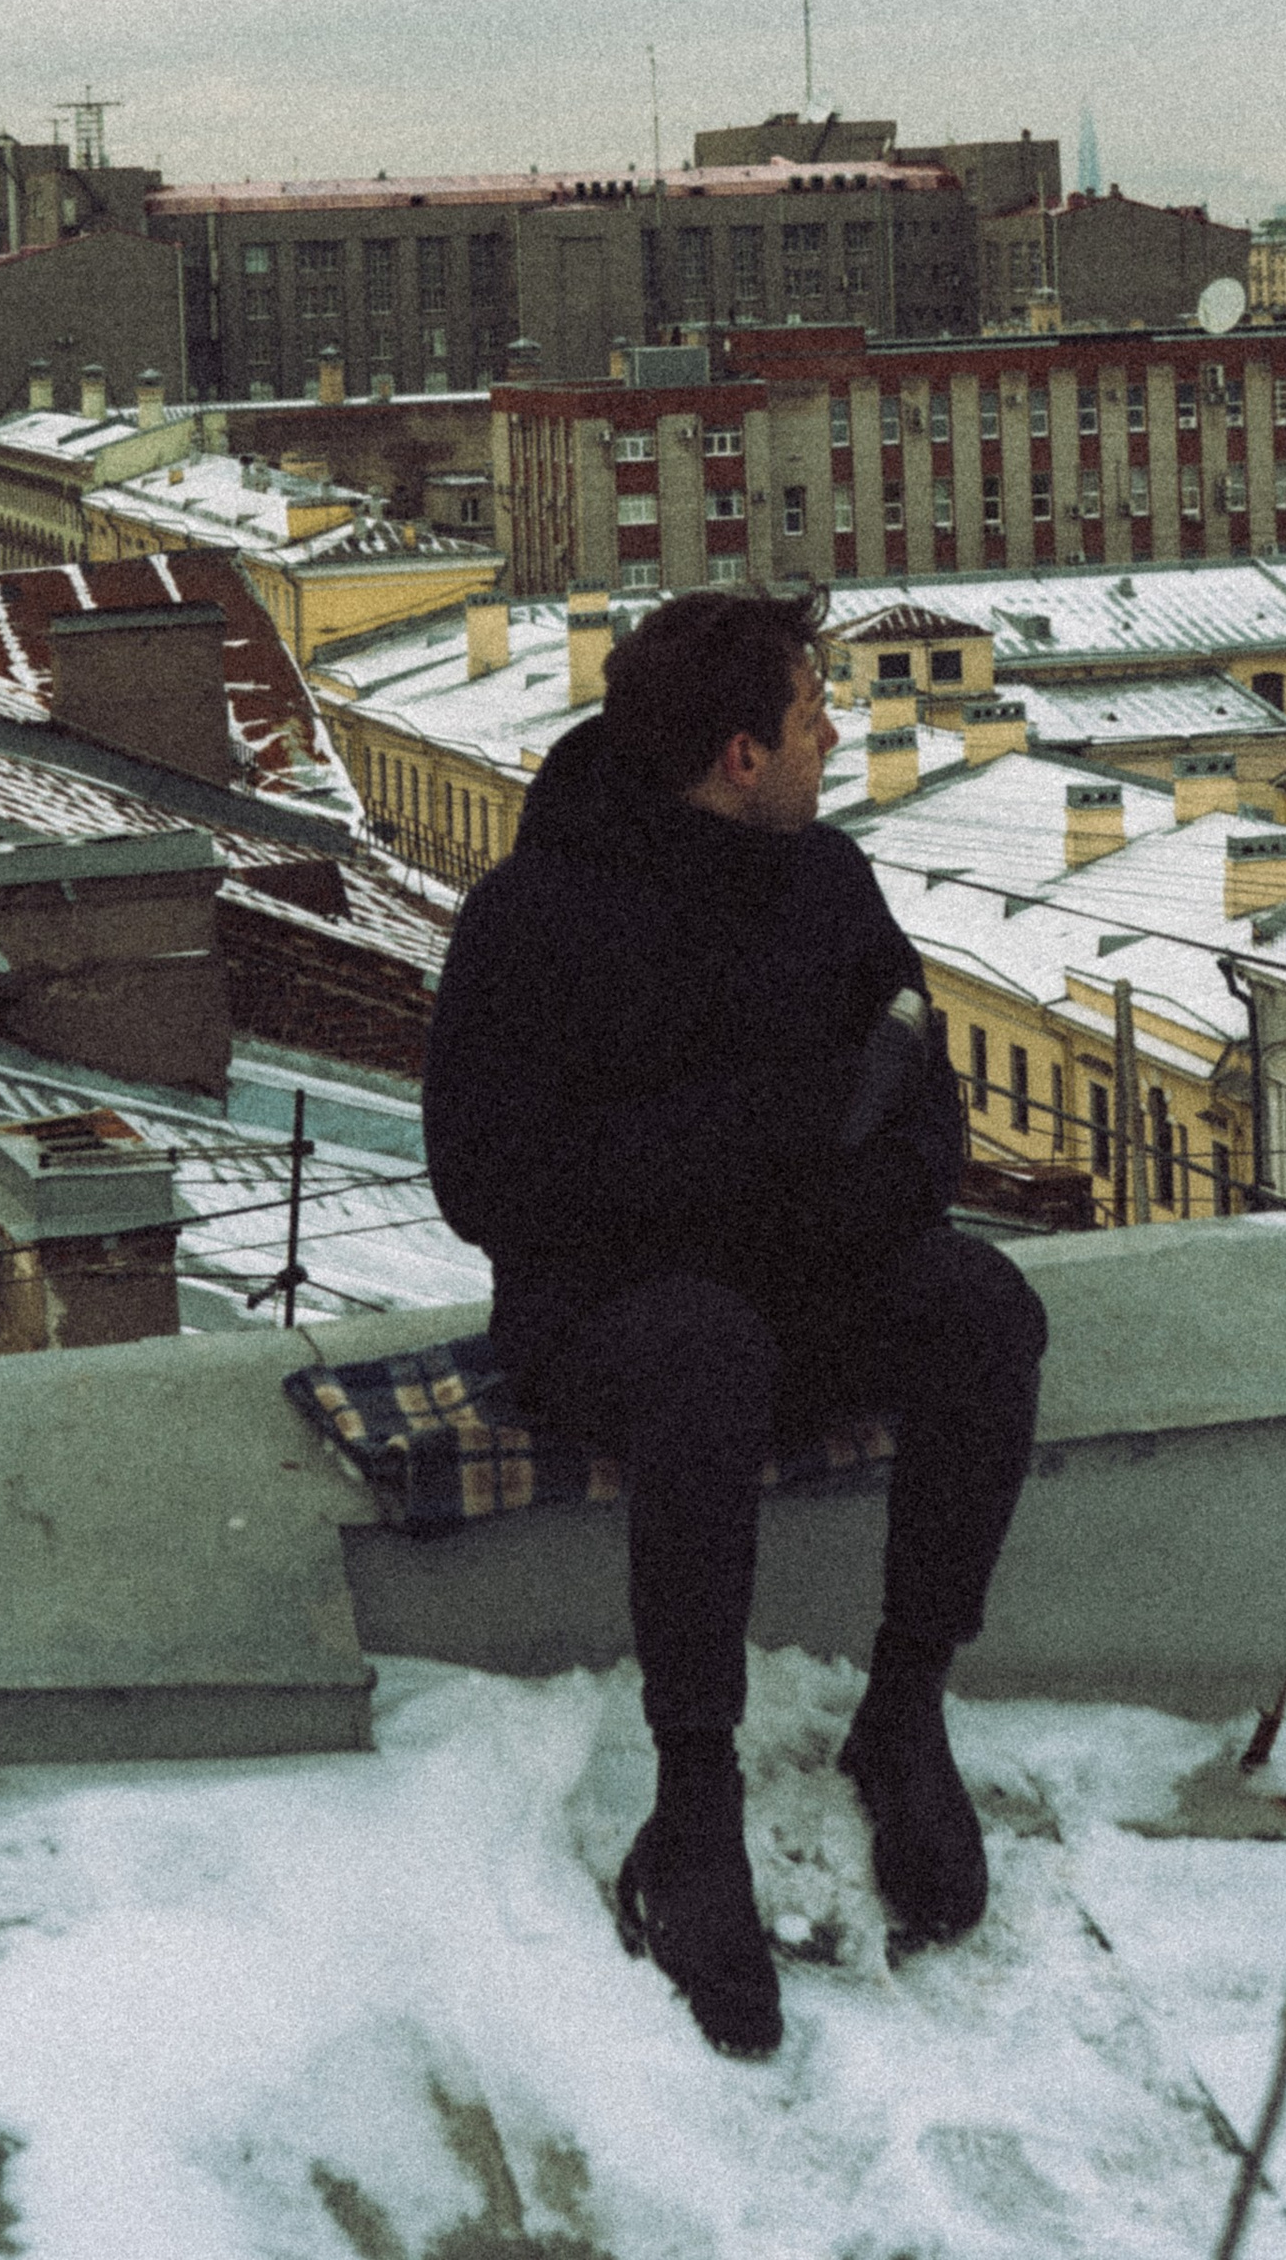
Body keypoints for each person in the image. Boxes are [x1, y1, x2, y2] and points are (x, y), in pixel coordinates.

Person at [423, 584, 1047, 2057]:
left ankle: (905, 1713)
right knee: (706, 1349)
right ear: (739, 755)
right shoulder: (535, 913)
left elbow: (922, 1109)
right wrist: (758, 1154)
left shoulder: (826, 880)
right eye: (812, 712)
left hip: (803, 1276)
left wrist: (854, 1194)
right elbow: (484, 1180)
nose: (837, 734)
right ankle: (692, 1805)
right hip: (602, 1322)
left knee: (983, 1311)